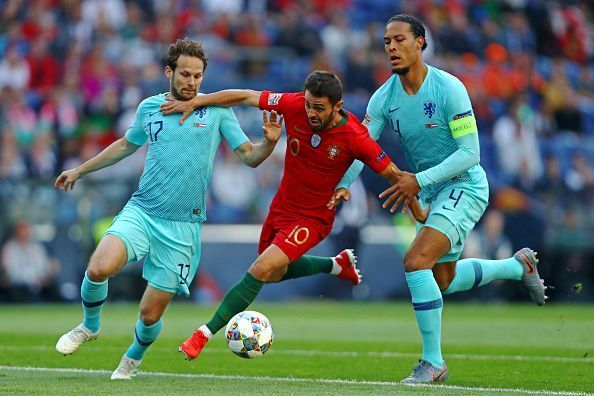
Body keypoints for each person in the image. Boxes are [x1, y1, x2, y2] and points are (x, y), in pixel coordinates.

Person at [53, 38, 283, 380]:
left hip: (182, 228)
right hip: (143, 211)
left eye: (198, 76)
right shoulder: (149, 107)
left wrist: (269, 142)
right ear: (169, 72)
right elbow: (124, 145)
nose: (191, 82)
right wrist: (80, 170)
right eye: (185, 74)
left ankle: (132, 358)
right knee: (99, 267)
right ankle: (89, 326)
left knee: (149, 315)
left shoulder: (218, 110)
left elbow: (249, 157)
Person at [159, 70, 428, 361]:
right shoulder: (294, 104)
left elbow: (395, 175)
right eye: (309, 104)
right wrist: (197, 102)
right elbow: (245, 95)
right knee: (272, 274)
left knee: (260, 270)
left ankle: (202, 334)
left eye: (319, 107)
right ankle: (336, 265)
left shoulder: (355, 137)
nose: (311, 112)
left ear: (337, 106)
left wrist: (418, 212)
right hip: (281, 209)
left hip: (313, 219)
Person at [337, 15, 548, 383]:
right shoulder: (383, 97)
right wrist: (341, 186)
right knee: (443, 280)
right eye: (386, 42)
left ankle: (432, 363)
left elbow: (470, 154)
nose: (391, 47)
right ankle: (518, 268)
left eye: (399, 39)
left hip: (465, 185)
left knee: (415, 261)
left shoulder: (449, 88)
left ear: (420, 43)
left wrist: (416, 181)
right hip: (432, 191)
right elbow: (362, 148)